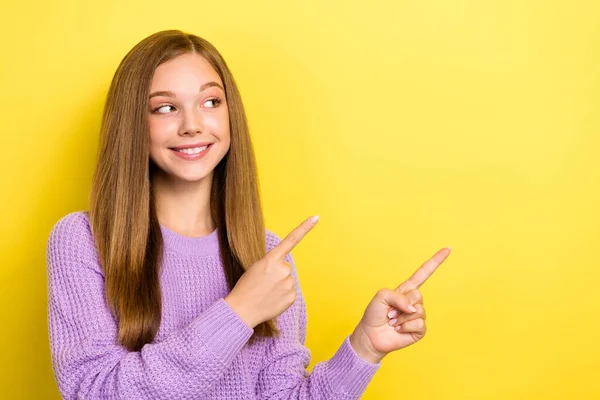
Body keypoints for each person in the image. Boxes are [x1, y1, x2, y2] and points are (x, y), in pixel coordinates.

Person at [46, 29, 452, 399]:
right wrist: (239, 311)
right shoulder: (82, 240)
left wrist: (364, 347)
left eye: (210, 101)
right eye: (165, 108)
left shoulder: (268, 255)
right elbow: (93, 390)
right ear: (133, 123)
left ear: (229, 114)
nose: (192, 125)